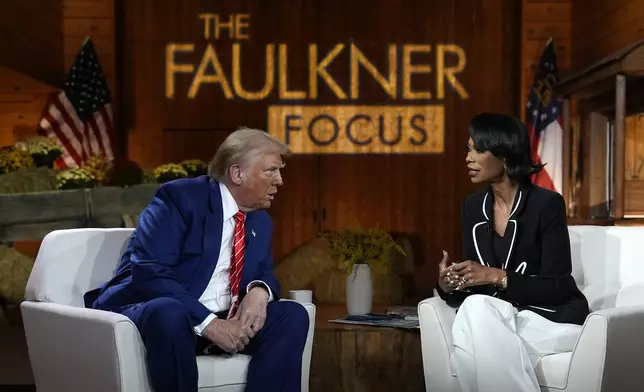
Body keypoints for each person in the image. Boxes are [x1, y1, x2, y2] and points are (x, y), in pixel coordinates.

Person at [84, 127, 310, 392]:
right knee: (170, 312)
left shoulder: (260, 219)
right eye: (271, 170)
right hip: (164, 316)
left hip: (223, 317)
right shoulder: (179, 199)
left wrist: (259, 291)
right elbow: (149, 271)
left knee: (291, 315)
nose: (280, 181)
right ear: (237, 173)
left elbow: (265, 272)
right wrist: (211, 324)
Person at [436, 113, 590, 392]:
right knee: (475, 314)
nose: (468, 158)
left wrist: (497, 276)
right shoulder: (472, 207)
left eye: (478, 150)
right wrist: (450, 284)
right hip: (498, 318)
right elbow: (475, 285)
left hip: (551, 318)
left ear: (504, 155)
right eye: (468, 149)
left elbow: (557, 287)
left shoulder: (547, 205)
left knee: (469, 337)